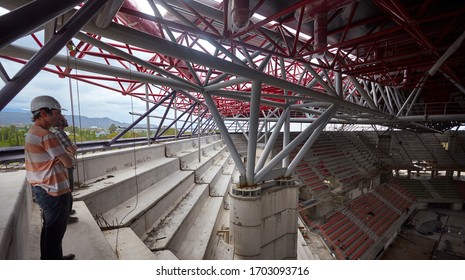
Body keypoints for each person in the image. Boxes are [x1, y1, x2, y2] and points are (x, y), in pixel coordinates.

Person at [25, 95, 75, 260]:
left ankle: (53, 259)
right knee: (55, 232)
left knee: (49, 230)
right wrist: (65, 156)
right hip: (53, 190)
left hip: (42, 188)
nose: (60, 116)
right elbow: (69, 162)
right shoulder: (47, 136)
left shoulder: (32, 132)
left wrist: (59, 158)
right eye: (56, 112)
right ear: (43, 113)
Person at [51, 114, 78, 224]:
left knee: (66, 189)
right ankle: (65, 215)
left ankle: (67, 211)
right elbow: (71, 149)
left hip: (60, 165)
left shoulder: (55, 133)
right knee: (68, 188)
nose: (66, 121)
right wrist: (74, 147)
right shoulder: (59, 133)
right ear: (61, 122)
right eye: (64, 119)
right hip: (65, 165)